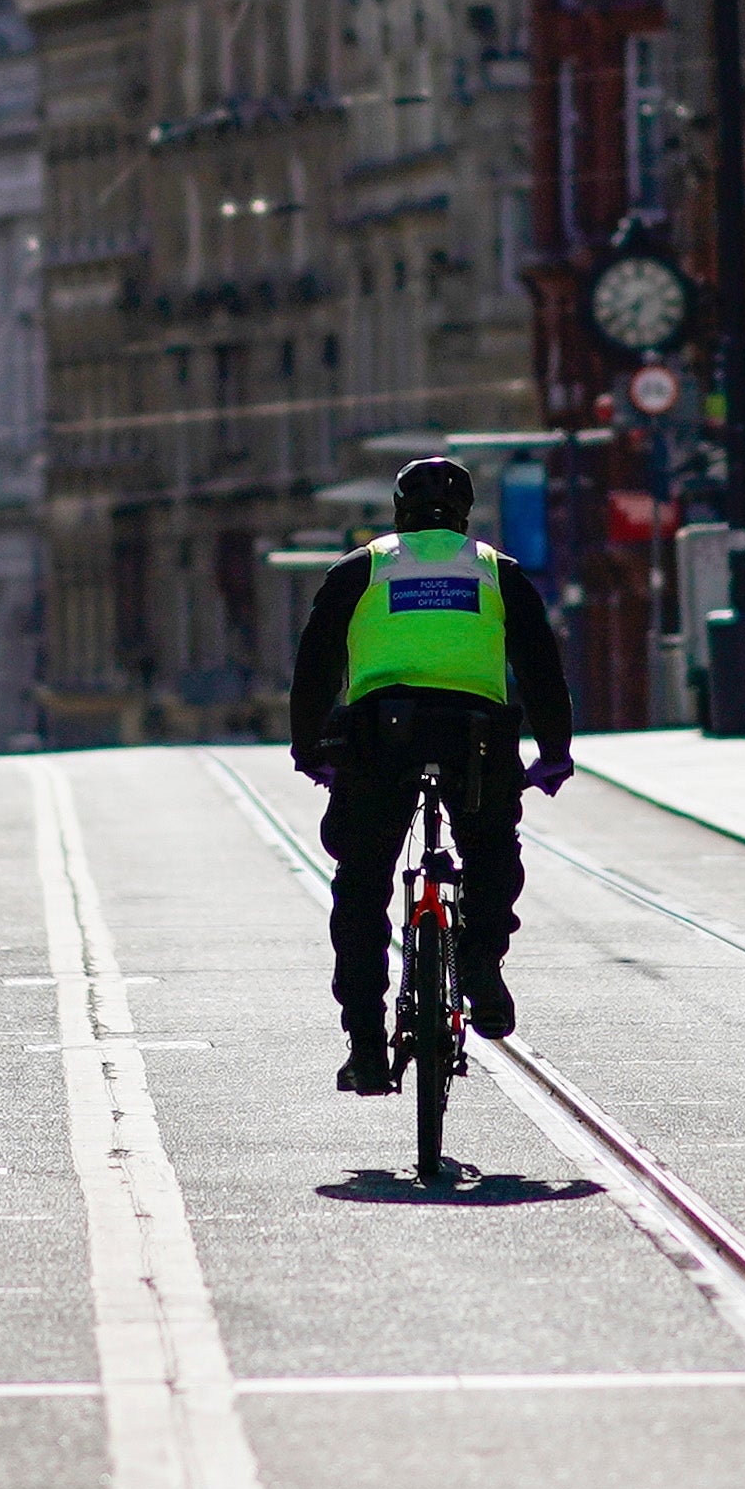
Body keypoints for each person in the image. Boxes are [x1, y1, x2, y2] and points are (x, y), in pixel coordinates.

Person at [288, 455, 576, 1095]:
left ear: (398, 512)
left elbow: (315, 664)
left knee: (362, 882)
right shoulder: (497, 572)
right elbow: (540, 668)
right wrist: (554, 752)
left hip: (377, 737)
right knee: (491, 845)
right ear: (466, 513)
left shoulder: (361, 569)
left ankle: (366, 1045)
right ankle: (481, 966)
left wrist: (309, 748)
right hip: (476, 736)